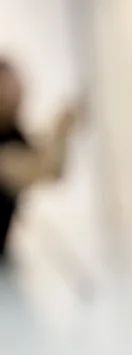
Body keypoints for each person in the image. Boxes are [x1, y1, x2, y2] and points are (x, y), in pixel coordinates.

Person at [0, 58, 79, 264]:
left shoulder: (15, 133)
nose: (15, 95)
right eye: (7, 89)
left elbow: (53, 170)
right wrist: (61, 132)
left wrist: (62, 133)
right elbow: (32, 169)